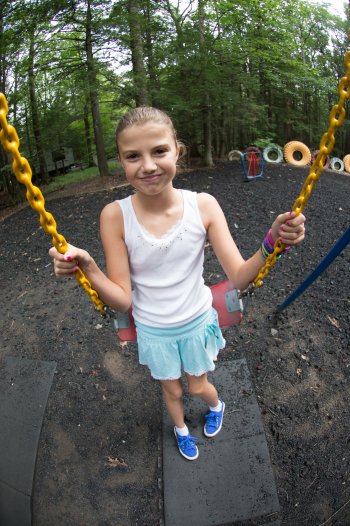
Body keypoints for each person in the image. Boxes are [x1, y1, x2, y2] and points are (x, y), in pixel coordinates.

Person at [49, 107, 305, 461]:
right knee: (170, 391)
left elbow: (240, 276)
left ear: (177, 151)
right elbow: (122, 301)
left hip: (196, 322)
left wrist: (272, 240)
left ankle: (217, 406)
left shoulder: (203, 206)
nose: (148, 166)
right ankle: (181, 429)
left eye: (159, 151)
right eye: (132, 156)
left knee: (198, 385)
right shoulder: (115, 216)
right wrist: (88, 268)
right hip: (155, 330)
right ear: (121, 161)